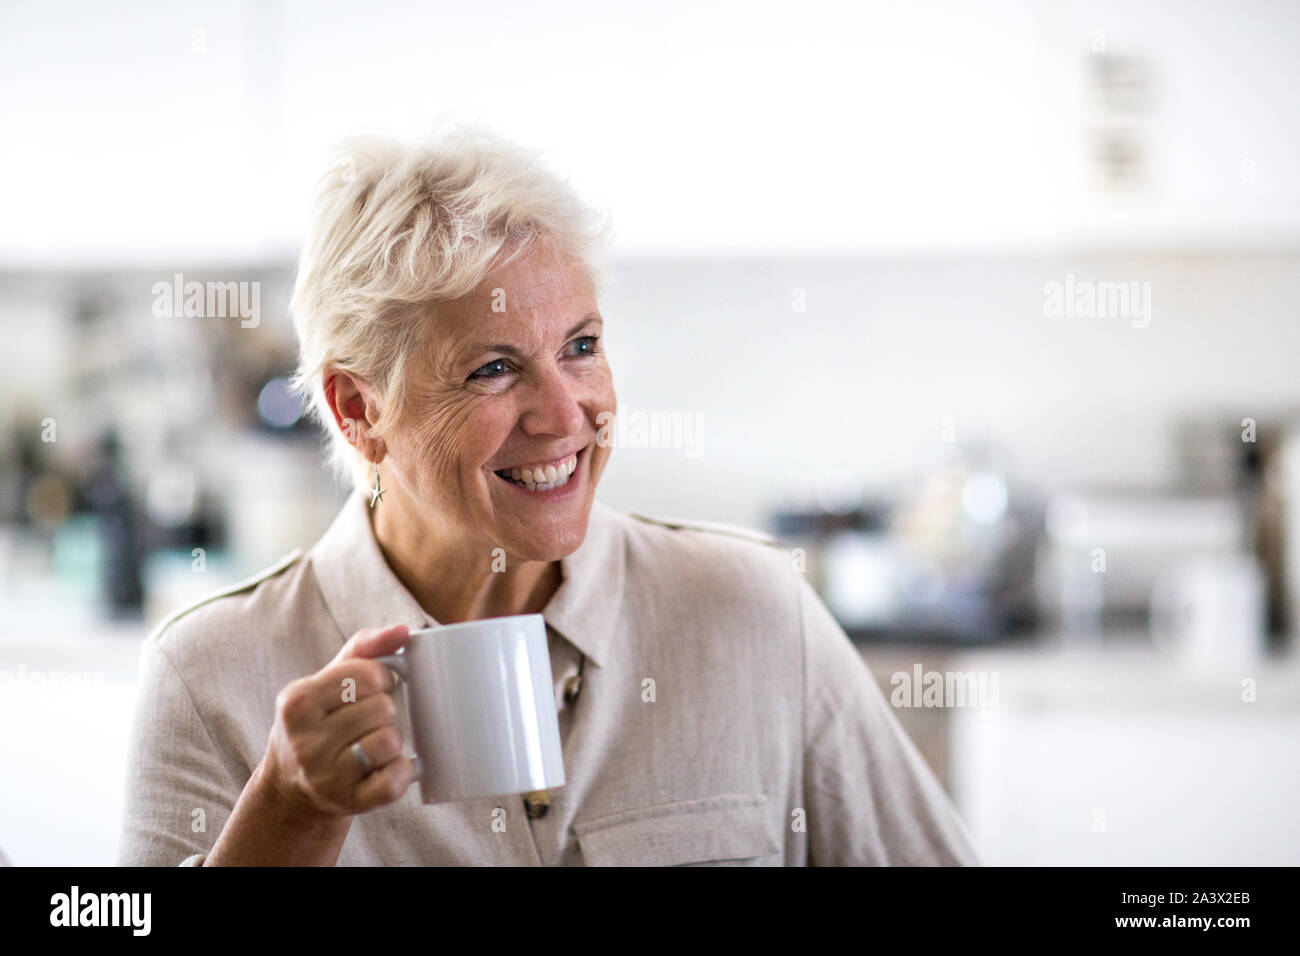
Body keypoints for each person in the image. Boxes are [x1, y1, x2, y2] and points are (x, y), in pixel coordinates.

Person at [119, 125, 979, 866]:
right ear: (359, 409)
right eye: (494, 368)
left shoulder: (753, 615)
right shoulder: (210, 680)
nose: (569, 416)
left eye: (581, 345)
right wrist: (287, 817)